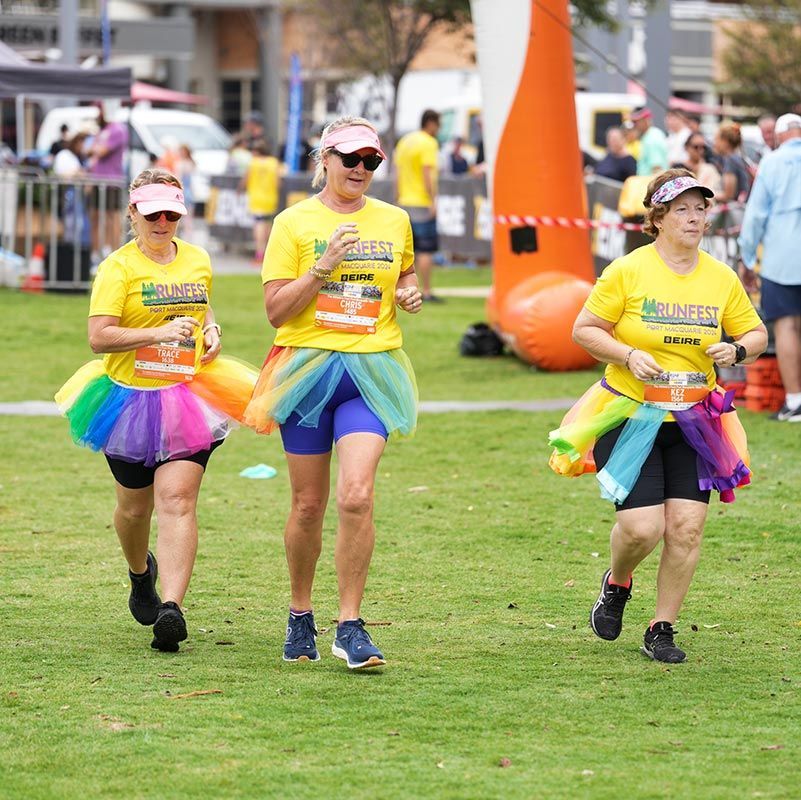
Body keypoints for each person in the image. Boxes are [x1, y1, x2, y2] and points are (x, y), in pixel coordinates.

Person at [549, 168, 767, 663]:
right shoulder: (628, 271)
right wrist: (626, 354)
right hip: (631, 414)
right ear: (659, 217)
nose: (694, 218)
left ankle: (661, 627)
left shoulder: (720, 276)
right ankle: (618, 582)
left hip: (695, 421)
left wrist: (736, 350)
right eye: (682, 209)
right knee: (643, 529)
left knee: (687, 527)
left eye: (701, 208)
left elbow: (756, 335)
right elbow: (585, 329)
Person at [243, 116, 422, 670]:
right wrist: (322, 268)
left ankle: (350, 624)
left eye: (371, 161)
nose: (361, 170)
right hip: (307, 370)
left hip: (372, 371)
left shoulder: (394, 220)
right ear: (325, 159)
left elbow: (404, 275)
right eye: (350, 159)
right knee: (307, 505)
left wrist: (410, 293)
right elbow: (276, 310)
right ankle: (301, 614)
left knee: (357, 496)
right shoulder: (293, 222)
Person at [55, 168, 258, 653]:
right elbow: (99, 337)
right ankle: (140, 572)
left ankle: (172, 608)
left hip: (187, 397)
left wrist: (212, 332)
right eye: (153, 214)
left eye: (172, 213)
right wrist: (155, 334)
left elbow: (201, 309)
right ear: (134, 214)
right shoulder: (117, 269)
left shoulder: (197, 259)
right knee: (134, 507)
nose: (163, 222)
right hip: (127, 400)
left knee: (178, 499)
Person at [738, 113, 801, 422]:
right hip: (782, 255)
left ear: (778, 136)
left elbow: (755, 216)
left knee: (787, 326)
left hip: (783, 257)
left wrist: (747, 258)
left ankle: (794, 400)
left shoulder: (773, 163)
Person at [395, 109, 442, 302]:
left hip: (404, 202)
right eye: (438, 125)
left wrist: (398, 197)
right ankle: (427, 290)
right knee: (425, 249)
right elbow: (427, 173)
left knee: (404, 252)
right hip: (421, 202)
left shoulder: (405, 141)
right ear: (431, 123)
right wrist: (432, 200)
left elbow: (397, 172)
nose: (439, 129)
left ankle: (402, 291)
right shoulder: (428, 143)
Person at [88, 102, 129, 259]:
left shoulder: (118, 129)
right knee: (96, 217)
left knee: (112, 218)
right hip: (98, 181)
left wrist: (95, 148)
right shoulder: (104, 130)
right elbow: (91, 149)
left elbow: (100, 150)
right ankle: (96, 253)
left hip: (112, 181)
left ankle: (114, 252)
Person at [240, 139, 281, 263]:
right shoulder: (274, 163)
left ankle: (259, 253)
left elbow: (245, 180)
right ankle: (269, 251)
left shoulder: (253, 163)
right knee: (267, 224)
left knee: (258, 225)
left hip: (256, 198)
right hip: (270, 197)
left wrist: (240, 189)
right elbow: (278, 182)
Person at [712, 123, 751, 204]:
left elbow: (728, 195)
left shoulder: (731, 160)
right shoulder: (738, 158)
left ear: (725, 141)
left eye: (716, 139)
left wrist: (708, 195)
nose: (714, 143)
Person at [631, 107, 668, 176]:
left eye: (636, 121)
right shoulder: (649, 135)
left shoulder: (652, 138)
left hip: (650, 182)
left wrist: (654, 186)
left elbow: (657, 168)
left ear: (646, 120)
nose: (634, 125)